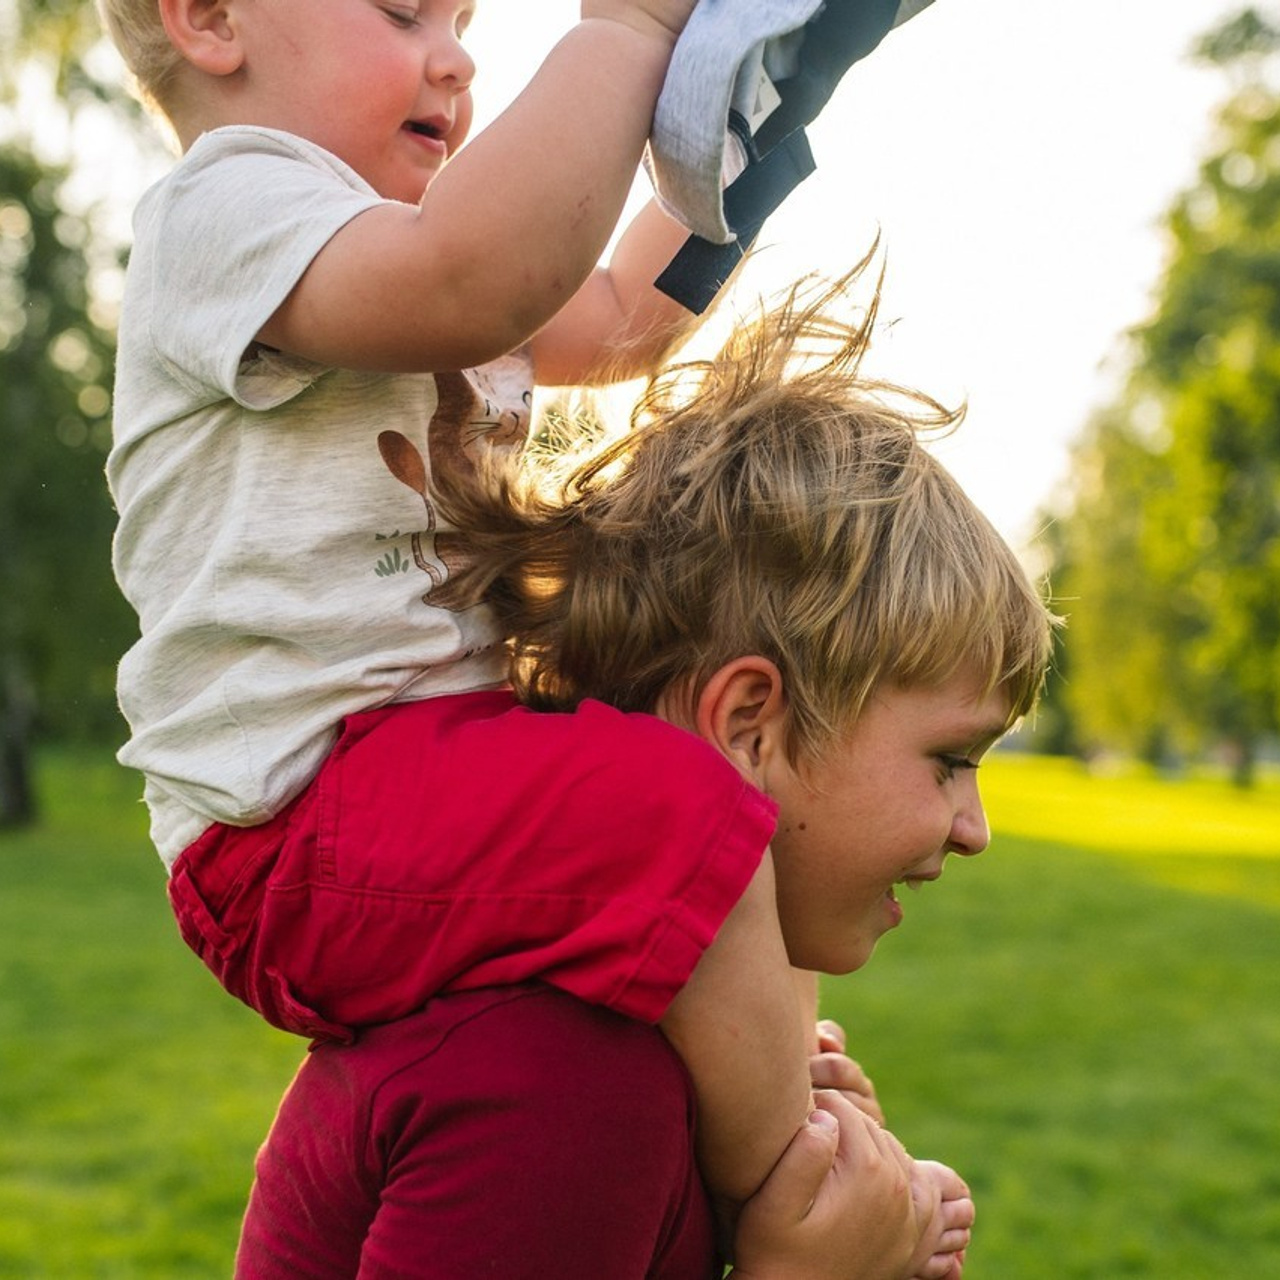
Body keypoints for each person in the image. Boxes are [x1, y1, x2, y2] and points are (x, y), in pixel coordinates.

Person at [96, 0, 883, 1237]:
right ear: (207, 19)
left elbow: (618, 313)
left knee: (694, 811)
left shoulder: (409, 248)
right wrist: (626, 31)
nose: (456, 57)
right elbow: (477, 277)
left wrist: (740, 133)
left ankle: (754, 1087)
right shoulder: (227, 206)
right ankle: (793, 1190)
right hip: (291, 819)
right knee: (680, 815)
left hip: (407, 774)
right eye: (406, 11)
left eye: (464, 20)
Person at [235, 265, 1057, 1277]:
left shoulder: (656, 1058)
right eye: (948, 759)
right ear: (748, 723)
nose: (972, 825)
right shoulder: (561, 1080)